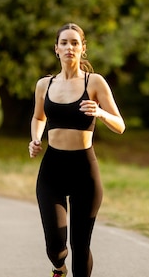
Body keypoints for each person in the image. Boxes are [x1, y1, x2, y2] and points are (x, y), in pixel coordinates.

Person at [29, 22, 126, 277]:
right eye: (64, 43)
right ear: (56, 49)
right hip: (52, 171)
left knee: (80, 246)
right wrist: (35, 138)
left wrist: (101, 112)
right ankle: (58, 269)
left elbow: (120, 125)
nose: (69, 47)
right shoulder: (44, 85)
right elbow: (39, 117)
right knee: (56, 247)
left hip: (84, 170)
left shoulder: (94, 82)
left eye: (75, 43)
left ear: (83, 49)